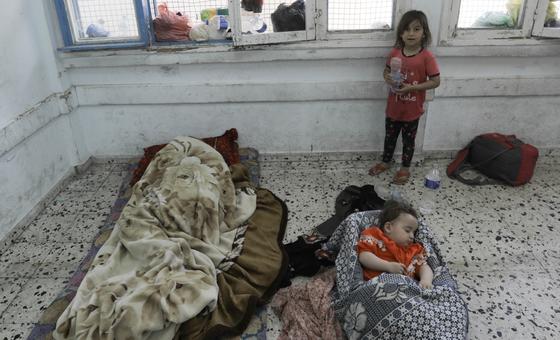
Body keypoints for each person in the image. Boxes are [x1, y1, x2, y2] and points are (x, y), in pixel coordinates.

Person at [369, 10, 441, 184]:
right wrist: (386, 76)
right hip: (393, 108)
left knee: (409, 141)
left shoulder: (426, 57)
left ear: (424, 33)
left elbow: (436, 81)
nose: (411, 33)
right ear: (400, 33)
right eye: (406, 29)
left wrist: (412, 87)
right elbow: (386, 71)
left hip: (412, 110)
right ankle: (386, 162)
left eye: (416, 29)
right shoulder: (395, 53)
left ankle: (404, 168)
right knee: (390, 137)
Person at [356, 200, 433, 289]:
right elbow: (364, 256)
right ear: (388, 227)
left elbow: (424, 267)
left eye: (414, 232)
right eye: (407, 230)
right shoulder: (376, 237)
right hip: (374, 286)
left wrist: (426, 280)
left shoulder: (413, 251)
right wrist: (388, 266)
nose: (412, 236)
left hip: (404, 291)